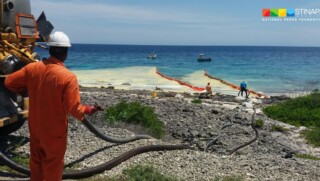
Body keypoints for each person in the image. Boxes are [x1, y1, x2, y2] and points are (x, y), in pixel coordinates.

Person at [5, 31, 101, 181]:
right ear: (65, 52)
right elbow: (74, 109)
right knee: (53, 166)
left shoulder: (32, 69)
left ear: (50, 49)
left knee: (36, 163)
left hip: (35, 128)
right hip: (54, 132)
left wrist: (26, 90)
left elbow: (9, 82)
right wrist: (87, 109)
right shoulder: (67, 77)